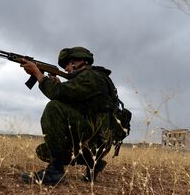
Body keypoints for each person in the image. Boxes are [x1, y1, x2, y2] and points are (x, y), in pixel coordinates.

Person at [20, 46, 118, 185]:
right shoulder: (94, 77)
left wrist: (37, 74)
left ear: (80, 61)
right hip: (97, 141)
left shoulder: (91, 76)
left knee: (53, 107)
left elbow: (56, 95)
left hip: (95, 139)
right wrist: (58, 85)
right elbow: (74, 102)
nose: (66, 69)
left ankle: (55, 172)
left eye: (68, 64)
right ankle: (93, 163)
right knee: (44, 151)